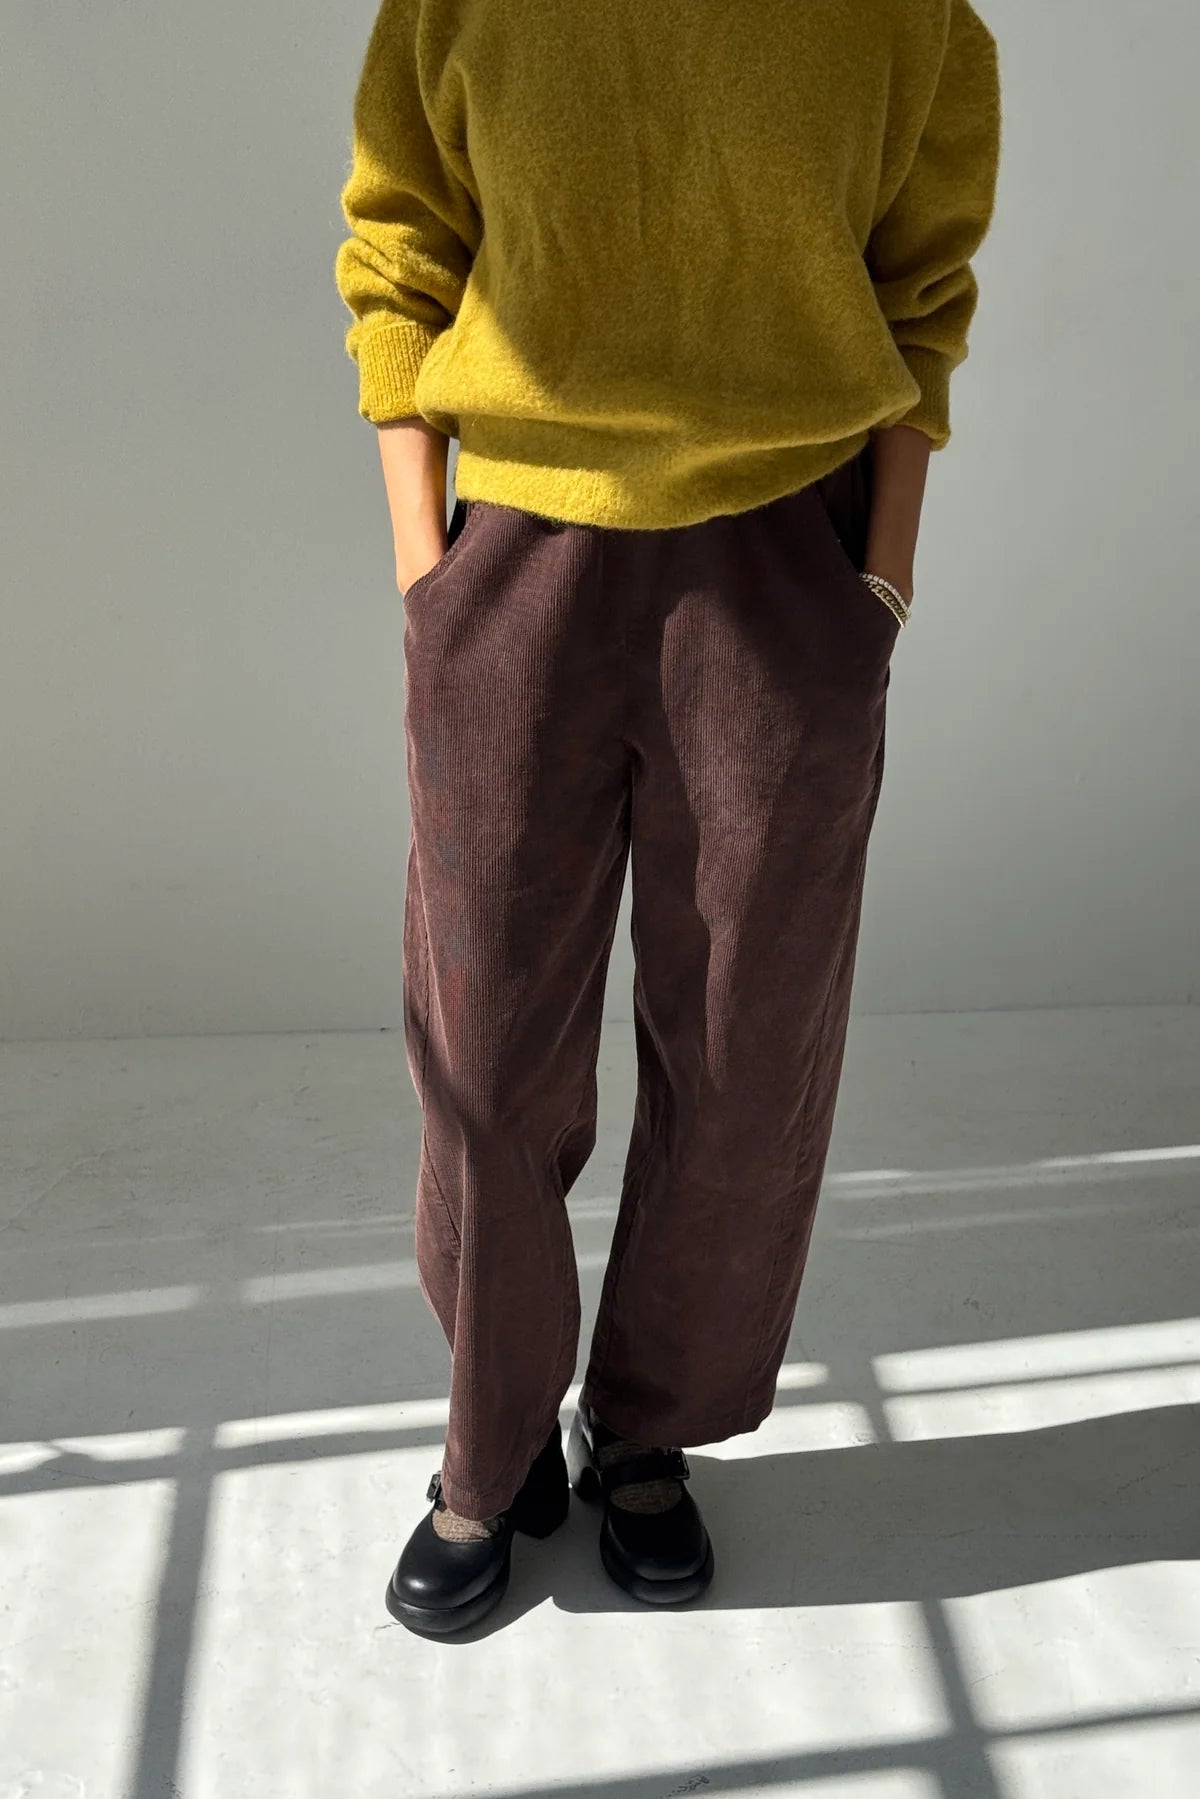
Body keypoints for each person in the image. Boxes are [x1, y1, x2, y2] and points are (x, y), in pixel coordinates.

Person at [334, 0, 1002, 1637]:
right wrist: (429, 573)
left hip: (785, 562)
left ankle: (647, 1429)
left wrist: (881, 577)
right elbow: (399, 260)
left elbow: (922, 295)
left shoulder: (912, 19)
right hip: (518, 556)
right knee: (488, 1049)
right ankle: (492, 1449)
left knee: (745, 1043)